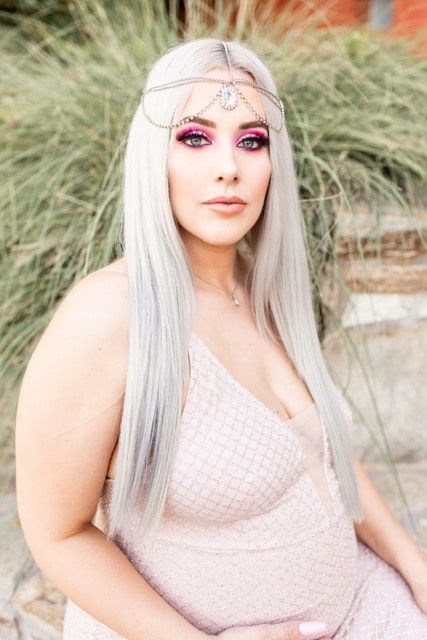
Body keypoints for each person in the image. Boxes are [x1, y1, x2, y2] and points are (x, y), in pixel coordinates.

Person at [14, 38, 427, 640]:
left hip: (362, 604)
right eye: (195, 137)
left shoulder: (263, 287)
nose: (228, 166)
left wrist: (414, 566)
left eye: (252, 140)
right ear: (154, 153)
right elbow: (57, 533)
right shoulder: (105, 317)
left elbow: (325, 453)